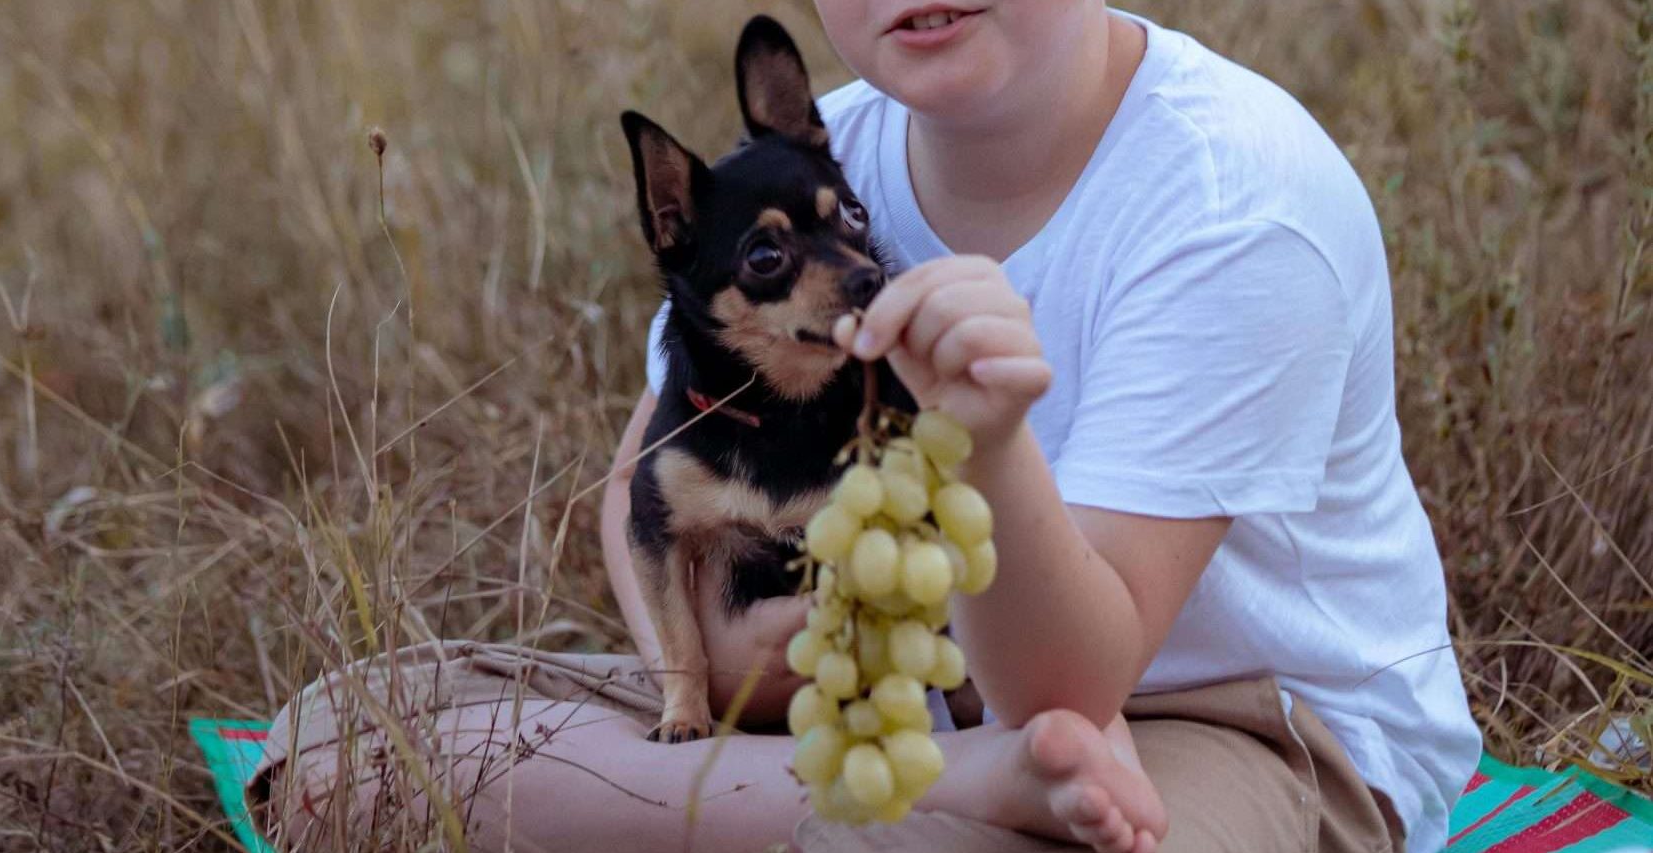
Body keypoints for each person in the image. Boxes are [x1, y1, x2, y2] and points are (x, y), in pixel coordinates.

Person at [256, 3, 1481, 852]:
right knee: (336, 753)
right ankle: (967, 790)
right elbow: (641, 478)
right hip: (883, 711)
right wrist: (717, 677)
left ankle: (936, 797)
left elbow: (1068, 686)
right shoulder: (806, 163)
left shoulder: (1231, 207)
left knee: (899, 834)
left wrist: (985, 441)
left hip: (1228, 718)